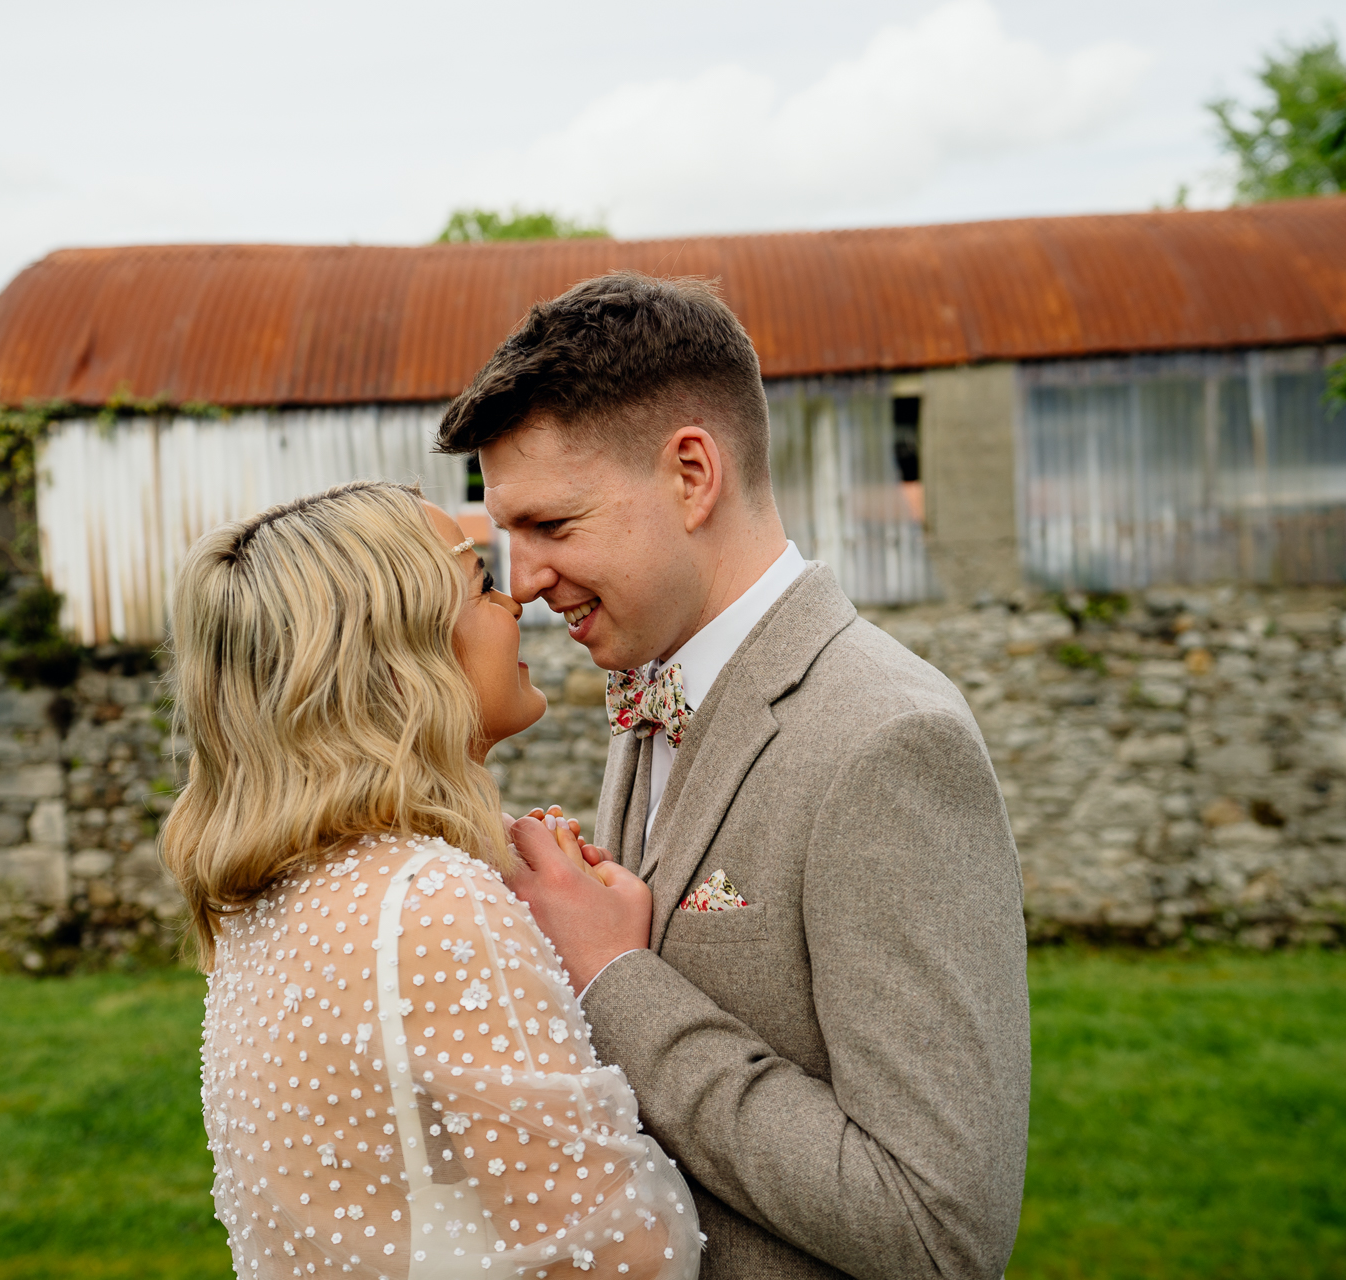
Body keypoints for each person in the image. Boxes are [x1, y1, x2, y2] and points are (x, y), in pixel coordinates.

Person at [436, 274, 1031, 1280]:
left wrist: (617, 980)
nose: (525, 579)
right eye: (510, 534)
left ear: (692, 474)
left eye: (553, 526)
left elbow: (942, 1231)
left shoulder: (889, 739)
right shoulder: (644, 680)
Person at [162, 480, 701, 1279]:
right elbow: (628, 1258)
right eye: (481, 581)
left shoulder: (263, 908)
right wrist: (605, 966)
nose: (517, 596)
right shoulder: (430, 903)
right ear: (396, 651)